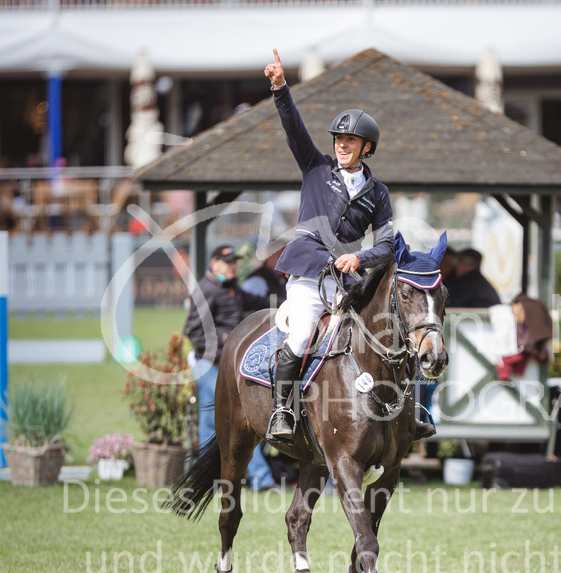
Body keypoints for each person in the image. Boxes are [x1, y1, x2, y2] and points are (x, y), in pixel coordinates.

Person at [263, 49, 432, 443]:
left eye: (350, 140)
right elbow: (294, 129)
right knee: (301, 336)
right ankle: (282, 411)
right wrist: (280, 88)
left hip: (346, 283)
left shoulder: (378, 193)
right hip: (308, 277)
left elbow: (387, 246)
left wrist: (359, 257)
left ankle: (410, 412)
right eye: (339, 138)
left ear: (366, 147)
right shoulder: (316, 167)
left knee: (390, 332)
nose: (341, 144)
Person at [183, 244, 274, 489]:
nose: (233, 266)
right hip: (209, 365)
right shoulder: (206, 290)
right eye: (228, 262)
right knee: (226, 420)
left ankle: (215, 479)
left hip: (229, 365)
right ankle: (257, 478)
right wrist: (226, 340)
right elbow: (192, 331)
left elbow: (256, 301)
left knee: (227, 420)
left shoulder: (232, 287)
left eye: (234, 262)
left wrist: (284, 302)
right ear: (214, 264)